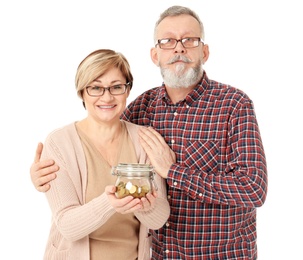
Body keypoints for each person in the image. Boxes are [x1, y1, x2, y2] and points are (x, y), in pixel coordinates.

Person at [30, 5, 268, 260]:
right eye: (167, 41)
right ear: (155, 55)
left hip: (219, 254)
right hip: (159, 254)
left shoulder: (233, 104)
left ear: (205, 51)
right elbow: (98, 134)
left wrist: (174, 172)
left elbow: (254, 188)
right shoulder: (141, 109)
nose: (179, 48)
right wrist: (44, 178)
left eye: (190, 40)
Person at [33, 48, 170, 260]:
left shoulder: (144, 140)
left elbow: (159, 219)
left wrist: (147, 206)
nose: (107, 97)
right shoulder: (60, 143)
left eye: (116, 87)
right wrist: (110, 203)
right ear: (82, 92)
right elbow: (68, 226)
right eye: (95, 88)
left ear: (128, 90)